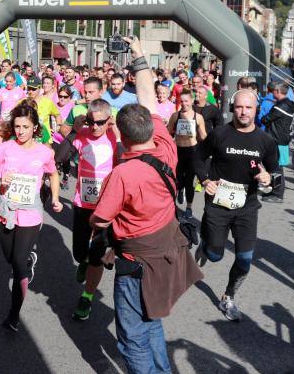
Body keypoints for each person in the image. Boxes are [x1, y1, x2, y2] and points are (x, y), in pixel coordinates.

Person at [89, 37, 203, 374]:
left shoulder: (123, 173)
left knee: (132, 336)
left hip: (136, 262)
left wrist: (104, 236)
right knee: (152, 319)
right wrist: (139, 56)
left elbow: (99, 220)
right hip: (167, 250)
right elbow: (149, 98)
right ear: (150, 127)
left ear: (121, 138)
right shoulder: (165, 146)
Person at [192, 88, 279, 321]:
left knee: (245, 258)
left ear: (256, 109)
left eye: (248, 107)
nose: (243, 112)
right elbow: (197, 158)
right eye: (239, 107)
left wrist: (268, 178)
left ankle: (228, 296)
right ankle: (207, 242)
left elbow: (274, 170)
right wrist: (205, 180)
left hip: (247, 208)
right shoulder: (219, 134)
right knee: (215, 256)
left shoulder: (266, 141)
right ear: (233, 108)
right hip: (218, 205)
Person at [0, 104, 61, 332]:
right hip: (6, 211)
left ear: (35, 127)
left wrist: (55, 198)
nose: (20, 131)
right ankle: (27, 261)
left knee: (18, 264)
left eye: (25, 127)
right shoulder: (4, 149)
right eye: (17, 126)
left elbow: (53, 173)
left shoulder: (45, 152)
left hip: (30, 213)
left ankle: (14, 315)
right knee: (9, 258)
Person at [70, 99, 119, 321]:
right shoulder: (82, 135)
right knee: (79, 253)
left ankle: (87, 296)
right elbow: (61, 147)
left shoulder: (115, 139)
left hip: (106, 207)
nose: (95, 126)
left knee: (98, 255)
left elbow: (126, 162)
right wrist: (74, 126)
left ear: (109, 120)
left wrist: (117, 133)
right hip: (82, 203)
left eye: (100, 122)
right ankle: (85, 259)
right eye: (91, 121)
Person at [167, 90, 207, 218]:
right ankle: (179, 192)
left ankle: (189, 207)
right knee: (177, 179)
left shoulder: (198, 117)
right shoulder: (175, 116)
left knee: (190, 181)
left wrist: (211, 146)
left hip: (192, 151)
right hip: (178, 151)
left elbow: (203, 136)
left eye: (186, 101)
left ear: (191, 101)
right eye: (182, 101)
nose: (184, 104)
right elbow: (168, 132)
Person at [259, 82, 294, 204]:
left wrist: (264, 117)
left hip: (277, 140)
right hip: (280, 140)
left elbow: (266, 119)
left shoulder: (281, 106)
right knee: (274, 167)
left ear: (278, 92)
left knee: (277, 168)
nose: (272, 92)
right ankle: (273, 190)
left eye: (273, 91)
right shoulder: (287, 104)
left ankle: (277, 194)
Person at [25, 76, 61, 145]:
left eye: (33, 89)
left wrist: (57, 127)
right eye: (29, 89)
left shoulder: (48, 102)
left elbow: (57, 115)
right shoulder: (23, 102)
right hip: (28, 140)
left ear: (39, 88)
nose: (30, 92)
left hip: (45, 141)